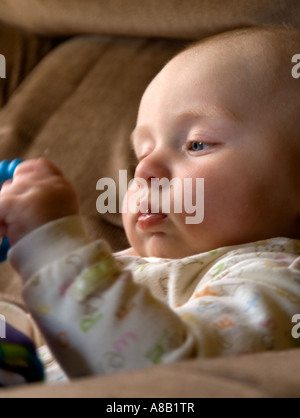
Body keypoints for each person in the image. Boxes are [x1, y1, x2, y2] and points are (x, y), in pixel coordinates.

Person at [1, 25, 300, 379]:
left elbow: (162, 379)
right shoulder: (119, 268)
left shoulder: (279, 281)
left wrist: (52, 249)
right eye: (140, 153)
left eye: (197, 144)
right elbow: (33, 340)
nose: (144, 171)